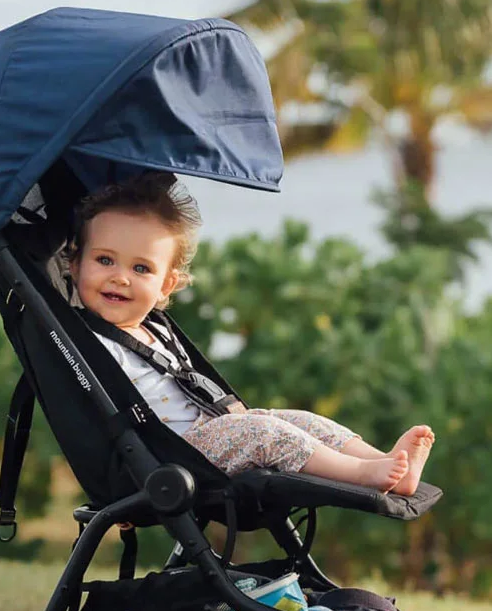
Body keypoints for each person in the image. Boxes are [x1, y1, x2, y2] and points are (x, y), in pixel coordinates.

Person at [65, 173, 434, 496]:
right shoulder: (89, 343)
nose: (120, 278)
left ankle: (383, 461)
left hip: (212, 431)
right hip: (169, 456)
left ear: (166, 285)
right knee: (264, 434)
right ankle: (361, 474)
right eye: (105, 260)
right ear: (75, 265)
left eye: (141, 268)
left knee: (298, 421)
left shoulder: (155, 329)